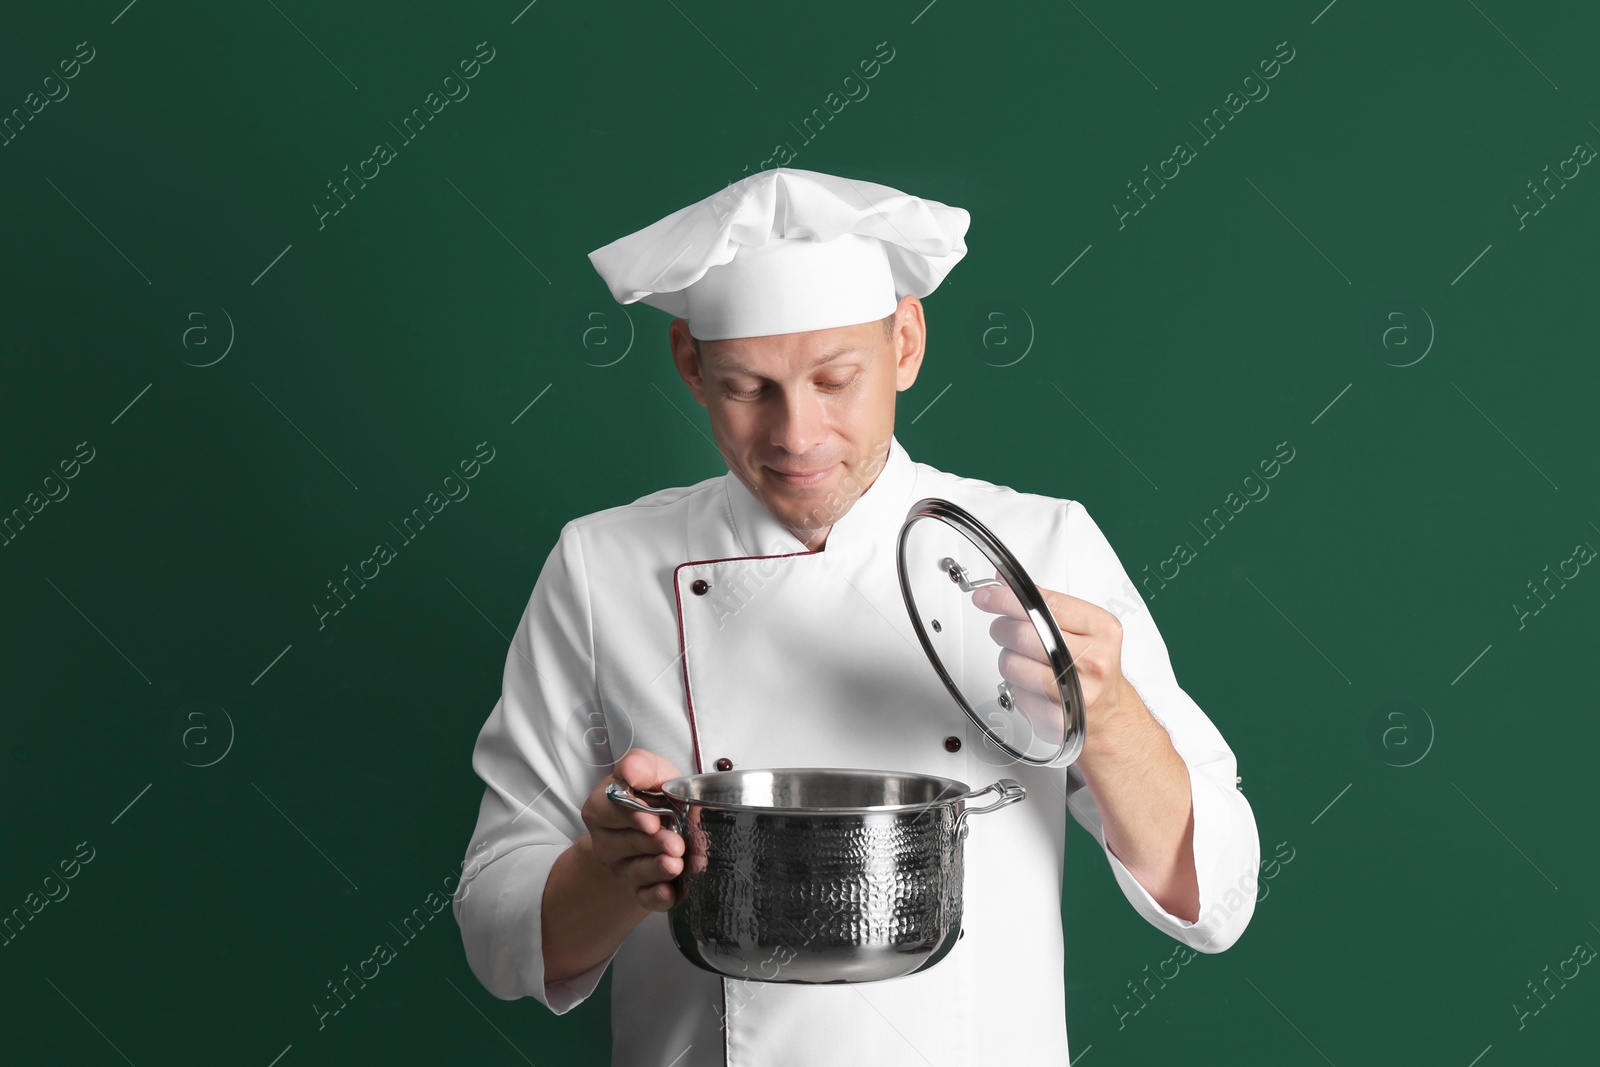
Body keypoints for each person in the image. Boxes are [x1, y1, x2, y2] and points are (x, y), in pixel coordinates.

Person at [453, 167, 1260, 1066]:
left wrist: (1107, 718)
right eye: (747, 387)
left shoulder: (1042, 545)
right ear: (690, 363)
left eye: (835, 379)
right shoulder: (602, 567)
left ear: (906, 343)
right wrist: (609, 875)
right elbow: (496, 934)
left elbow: (1216, 894)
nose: (796, 435)